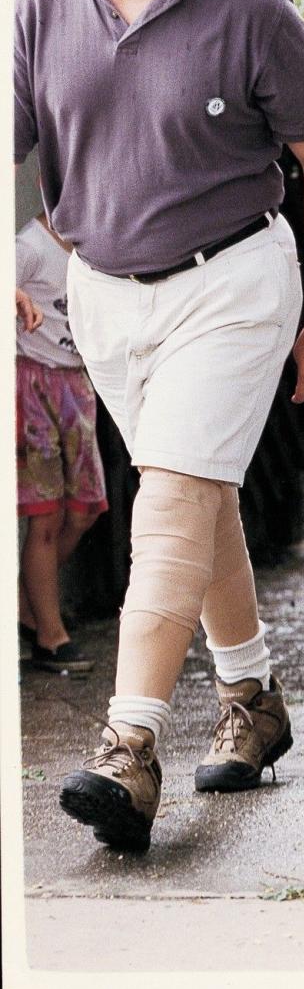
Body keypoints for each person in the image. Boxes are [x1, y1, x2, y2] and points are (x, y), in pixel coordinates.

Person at [14, 0, 304, 852]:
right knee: (194, 495)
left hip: (234, 280)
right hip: (104, 292)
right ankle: (253, 698)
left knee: (168, 494)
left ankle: (130, 744)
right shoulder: (36, 4)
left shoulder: (253, 9)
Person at [16, 212, 109, 673]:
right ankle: (50, 637)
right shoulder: (30, 247)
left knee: (86, 509)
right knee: (46, 515)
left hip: (77, 387)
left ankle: (23, 604)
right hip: (34, 388)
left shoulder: (96, 244)